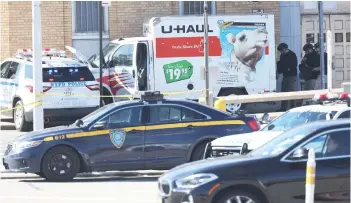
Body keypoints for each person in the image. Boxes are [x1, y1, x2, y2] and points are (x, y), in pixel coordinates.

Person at [277, 43, 298, 111]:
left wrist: (286, 68)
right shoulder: (282, 55)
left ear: (285, 49)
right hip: (285, 75)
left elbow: (293, 65)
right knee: (284, 91)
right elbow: (281, 64)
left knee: (291, 91)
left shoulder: (292, 54)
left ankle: (292, 107)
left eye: (281, 50)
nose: (281, 52)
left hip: (292, 76)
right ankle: (283, 107)